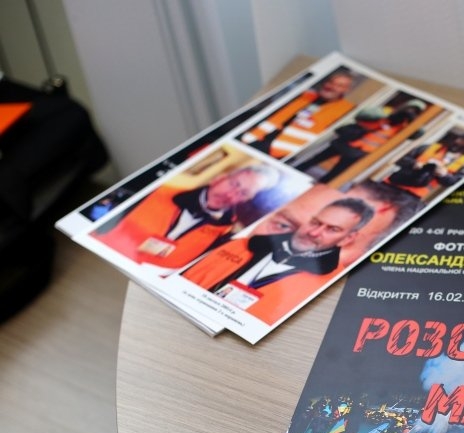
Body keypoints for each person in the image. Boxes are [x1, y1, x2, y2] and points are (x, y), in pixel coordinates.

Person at [181, 197, 374, 323]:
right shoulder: (241, 245)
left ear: (348, 238)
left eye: (332, 229)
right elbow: (184, 285)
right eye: (315, 222)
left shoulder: (332, 286)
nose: (314, 232)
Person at [92, 164, 280, 269]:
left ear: (246, 200)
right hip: (100, 260)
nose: (231, 195)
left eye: (243, 193)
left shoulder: (226, 233)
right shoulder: (159, 190)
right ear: (220, 178)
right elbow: (96, 215)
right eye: (234, 184)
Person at [294, 100, 427, 184]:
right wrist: (390, 116)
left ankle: (315, 189)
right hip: (346, 142)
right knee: (313, 160)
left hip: (359, 153)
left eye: (415, 111)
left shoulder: (406, 127)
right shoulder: (386, 112)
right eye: (409, 108)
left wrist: (413, 120)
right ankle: (294, 172)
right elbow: (364, 114)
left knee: (335, 175)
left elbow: (418, 135)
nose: (409, 112)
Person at [239, 69, 356, 159]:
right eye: (331, 82)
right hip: (255, 137)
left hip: (281, 152)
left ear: (346, 90)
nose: (332, 87)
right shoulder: (306, 94)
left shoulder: (346, 109)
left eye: (340, 85)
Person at [383, 133, 464, 200]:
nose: (461, 144)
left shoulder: (463, 162)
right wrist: (414, 163)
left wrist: (444, 175)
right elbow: (401, 158)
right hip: (393, 183)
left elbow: (454, 182)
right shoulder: (429, 147)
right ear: (456, 139)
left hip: (412, 195)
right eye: (461, 140)